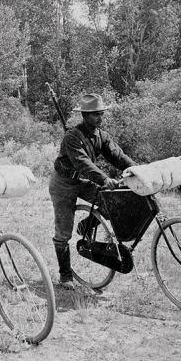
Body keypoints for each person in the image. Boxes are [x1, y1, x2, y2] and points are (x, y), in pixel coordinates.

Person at [50, 93, 136, 289]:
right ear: (85, 116)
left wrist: (137, 171)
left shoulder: (101, 136)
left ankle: (87, 225)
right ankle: (65, 276)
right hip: (63, 185)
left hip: (83, 181)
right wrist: (104, 179)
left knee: (111, 203)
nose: (99, 118)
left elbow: (118, 157)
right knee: (63, 232)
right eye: (95, 114)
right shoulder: (72, 137)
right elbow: (83, 163)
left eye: (101, 114)